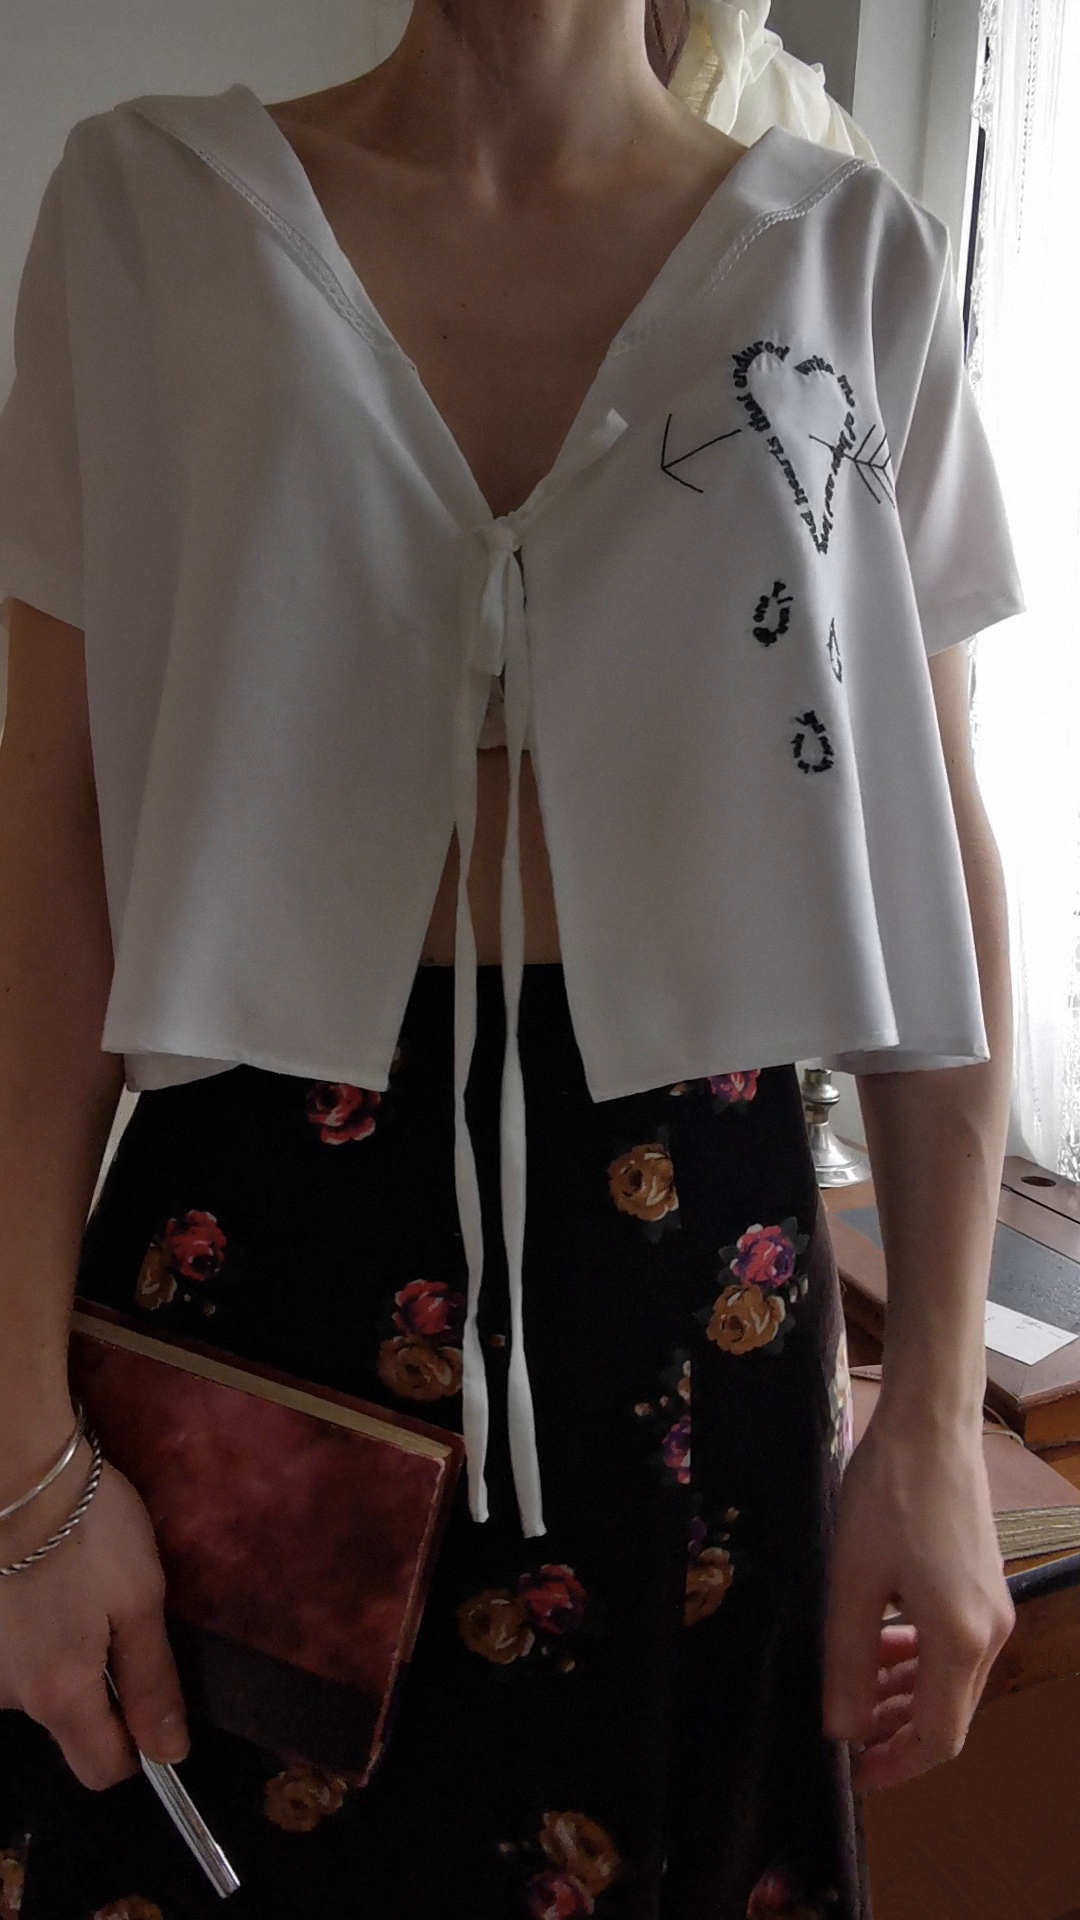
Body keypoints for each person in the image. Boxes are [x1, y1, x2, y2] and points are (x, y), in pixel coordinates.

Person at [0, 2, 1024, 1916]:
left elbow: (934, 845)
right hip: (250, 1279)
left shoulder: (849, 257)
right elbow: (45, 849)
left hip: (696, 1290)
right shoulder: (149, 215)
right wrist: (17, 1473)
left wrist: (937, 1425)